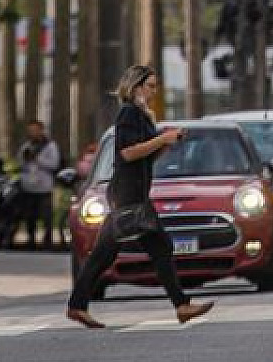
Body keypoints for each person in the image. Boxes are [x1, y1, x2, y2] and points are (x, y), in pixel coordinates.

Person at [66, 65, 214, 329]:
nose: (154, 92)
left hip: (134, 192)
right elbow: (127, 153)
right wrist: (162, 139)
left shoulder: (142, 115)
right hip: (128, 194)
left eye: (156, 87)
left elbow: (145, 156)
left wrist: (167, 143)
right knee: (141, 249)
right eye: (150, 86)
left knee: (118, 252)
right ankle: (181, 305)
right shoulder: (128, 113)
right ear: (136, 87)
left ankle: (78, 305)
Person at [16, 120, 61, 250]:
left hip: (44, 188)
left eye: (35, 130)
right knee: (30, 216)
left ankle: (47, 241)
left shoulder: (50, 146)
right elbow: (20, 163)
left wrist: (37, 158)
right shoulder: (26, 146)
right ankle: (31, 240)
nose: (33, 133)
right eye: (30, 130)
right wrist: (24, 159)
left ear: (41, 130)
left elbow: (54, 164)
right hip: (28, 187)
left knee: (46, 216)